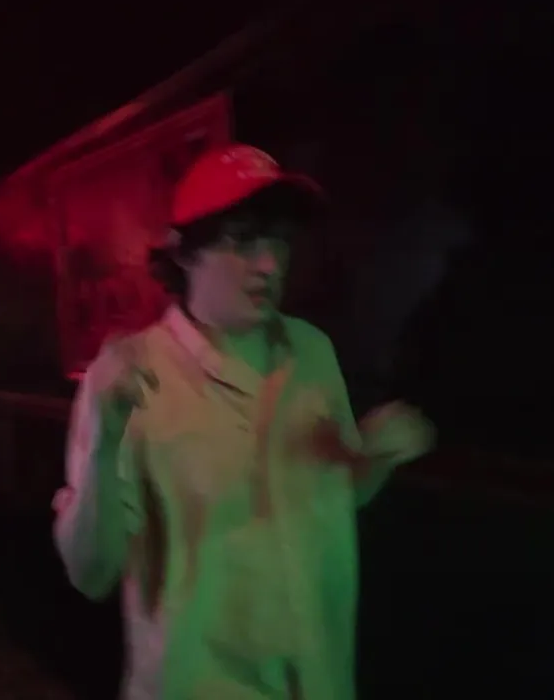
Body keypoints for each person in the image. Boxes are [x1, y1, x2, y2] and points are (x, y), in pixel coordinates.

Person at [53, 144, 436, 699]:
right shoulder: (129, 375)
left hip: (319, 680)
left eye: (279, 240)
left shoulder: (311, 351)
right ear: (185, 253)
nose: (270, 264)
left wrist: (372, 460)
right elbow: (91, 573)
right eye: (242, 240)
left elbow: (334, 497)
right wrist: (105, 440)